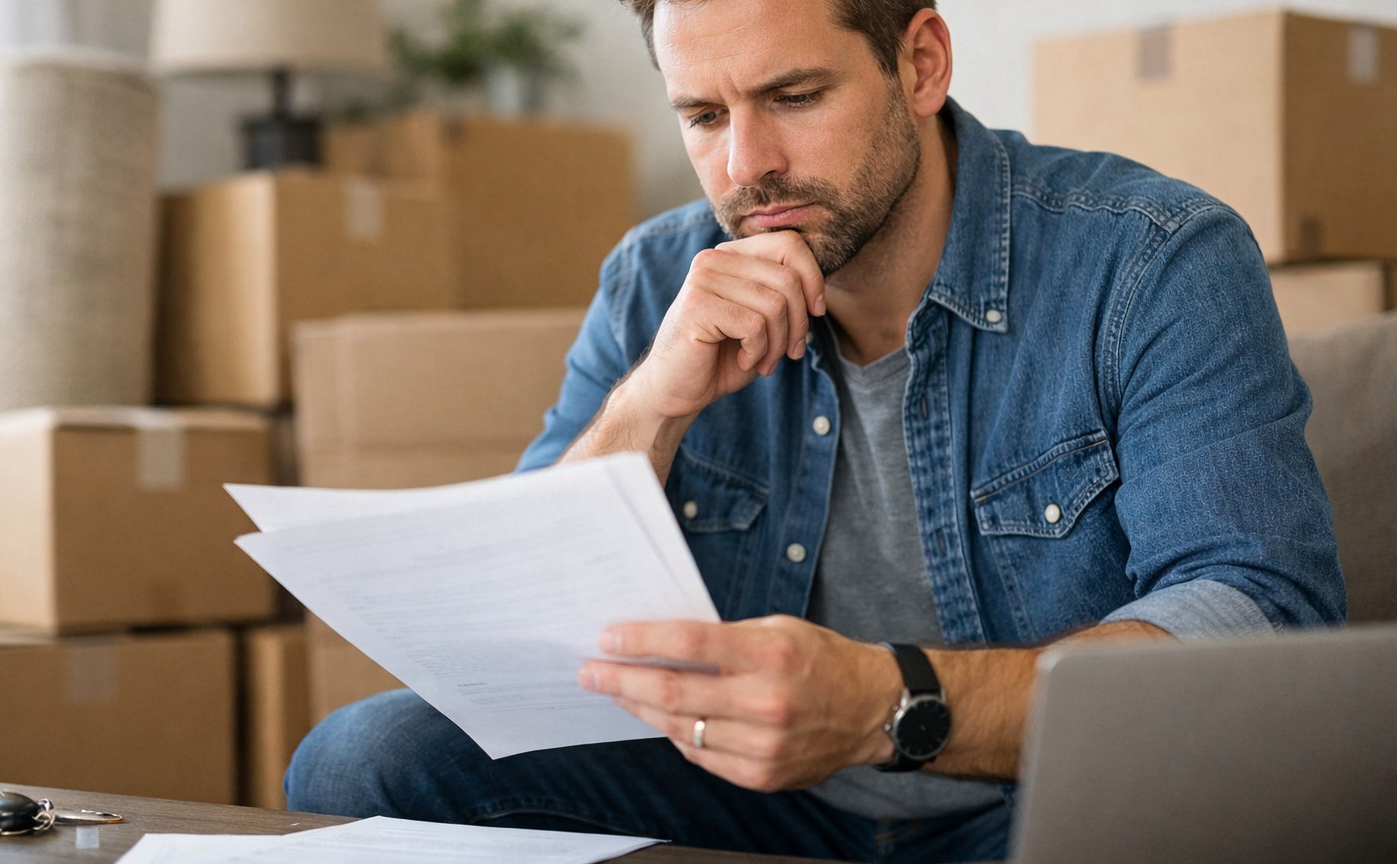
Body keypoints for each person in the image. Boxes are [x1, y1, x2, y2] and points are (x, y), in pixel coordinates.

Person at [285, 1, 1345, 861]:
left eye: (794, 96)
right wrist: (651, 404)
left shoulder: (1153, 260)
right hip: (739, 800)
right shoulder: (657, 279)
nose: (747, 168)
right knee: (363, 759)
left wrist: (890, 703)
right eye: (703, 116)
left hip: (1024, 803)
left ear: (920, 64)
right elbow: (511, 639)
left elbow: (1255, 615)